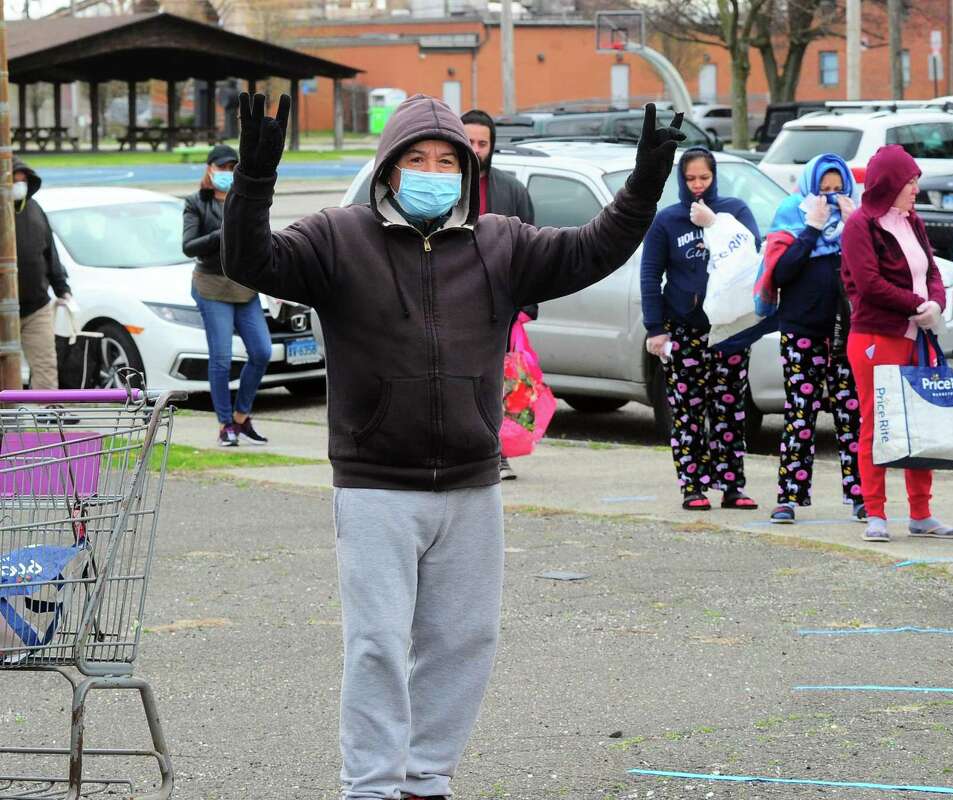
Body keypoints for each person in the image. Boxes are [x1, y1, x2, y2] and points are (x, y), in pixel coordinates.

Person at [222, 93, 684, 800]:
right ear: (388, 170)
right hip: (376, 482)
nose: (433, 171)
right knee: (376, 645)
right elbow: (251, 260)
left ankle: (425, 779)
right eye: (417, 160)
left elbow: (594, 246)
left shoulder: (502, 243)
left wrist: (646, 182)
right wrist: (254, 179)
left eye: (448, 161)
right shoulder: (338, 238)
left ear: (469, 173)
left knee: (464, 643)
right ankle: (372, 786)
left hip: (472, 483)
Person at [841, 144, 953, 543]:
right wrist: (916, 305)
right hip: (877, 336)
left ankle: (921, 512)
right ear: (890, 183)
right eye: (910, 182)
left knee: (920, 423)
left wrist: (936, 304)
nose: (915, 190)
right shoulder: (860, 225)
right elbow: (868, 283)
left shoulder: (913, 221)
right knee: (877, 424)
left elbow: (930, 271)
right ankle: (875, 512)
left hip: (917, 335)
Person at [640, 147, 762, 511]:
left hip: (729, 331)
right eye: (691, 179)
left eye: (704, 179)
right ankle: (692, 486)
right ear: (681, 180)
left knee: (729, 409)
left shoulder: (734, 211)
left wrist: (715, 223)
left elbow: (751, 255)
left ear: (714, 178)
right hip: (684, 330)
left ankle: (732, 485)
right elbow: (650, 275)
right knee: (688, 411)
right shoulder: (667, 221)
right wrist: (655, 329)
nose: (697, 186)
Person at [762, 153, 864, 523]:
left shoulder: (856, 222)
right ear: (810, 188)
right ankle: (788, 497)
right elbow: (782, 272)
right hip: (801, 331)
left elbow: (868, 269)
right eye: (825, 189)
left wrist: (855, 228)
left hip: (845, 334)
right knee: (800, 416)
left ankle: (860, 495)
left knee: (850, 417)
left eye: (839, 190)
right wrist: (812, 229)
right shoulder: (792, 216)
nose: (832, 197)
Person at [461, 108, 536, 481]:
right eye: (468, 141)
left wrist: (526, 305)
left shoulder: (511, 190)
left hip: (500, 306)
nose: (475, 149)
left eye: (482, 143)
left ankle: (498, 451)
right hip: (452, 302)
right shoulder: (444, 183)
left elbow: (533, 249)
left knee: (496, 381)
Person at [182, 143, 271, 447]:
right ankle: (224, 424)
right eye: (221, 167)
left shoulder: (244, 200)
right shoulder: (196, 202)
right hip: (211, 285)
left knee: (261, 351)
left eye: (232, 167)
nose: (227, 173)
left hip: (244, 286)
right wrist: (220, 235)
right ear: (209, 170)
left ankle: (241, 417)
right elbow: (189, 246)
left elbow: (262, 238)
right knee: (220, 358)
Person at [13, 157, 72, 390]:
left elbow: (50, 253)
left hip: (36, 306)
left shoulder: (35, 209)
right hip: (4, 310)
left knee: (46, 365)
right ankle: (7, 420)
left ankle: (46, 419)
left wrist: (62, 288)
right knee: (7, 370)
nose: (20, 185)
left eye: (23, 180)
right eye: (15, 180)